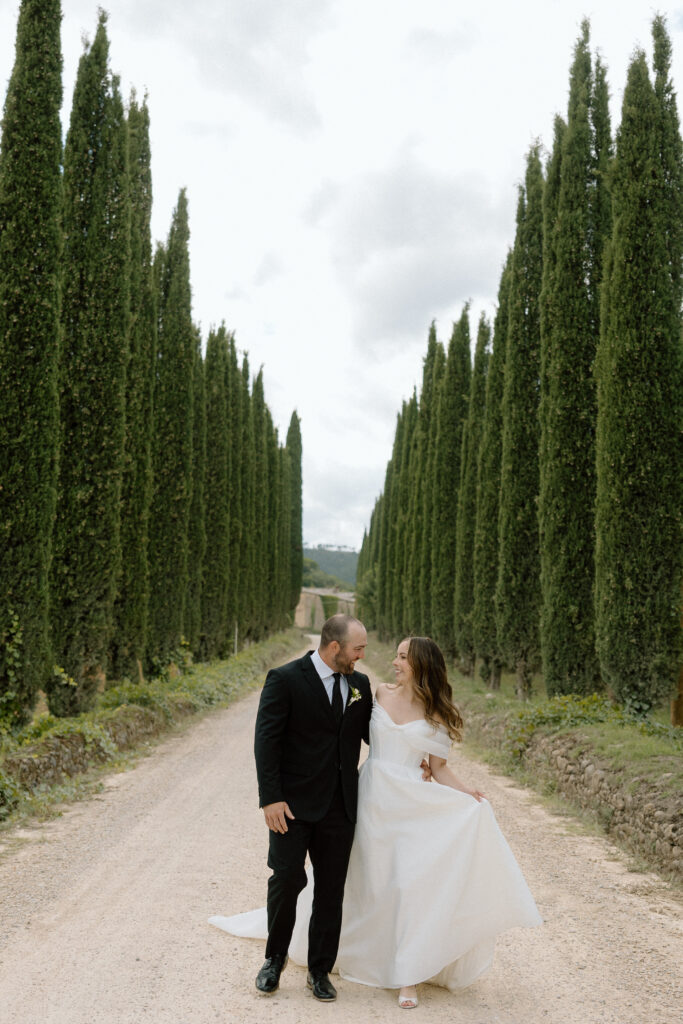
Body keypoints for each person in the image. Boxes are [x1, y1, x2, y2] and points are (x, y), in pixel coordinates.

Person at [210, 634, 541, 1008]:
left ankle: (401, 971)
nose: (393, 662)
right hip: (367, 799)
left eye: (402, 656)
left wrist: (469, 794)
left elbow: (440, 768)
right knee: (354, 878)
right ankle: (296, 955)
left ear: (421, 664)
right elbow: (342, 731)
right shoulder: (376, 693)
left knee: (406, 885)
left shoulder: (434, 712)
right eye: (395, 655)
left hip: (410, 806)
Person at [247, 614, 372, 1002]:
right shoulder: (284, 679)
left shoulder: (360, 685)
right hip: (291, 807)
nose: (361, 657)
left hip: (340, 807)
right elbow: (266, 742)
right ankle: (274, 960)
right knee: (285, 881)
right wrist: (270, 798)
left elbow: (375, 735)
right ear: (335, 648)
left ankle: (320, 970)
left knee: (331, 890)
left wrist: (416, 757)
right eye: (357, 649)